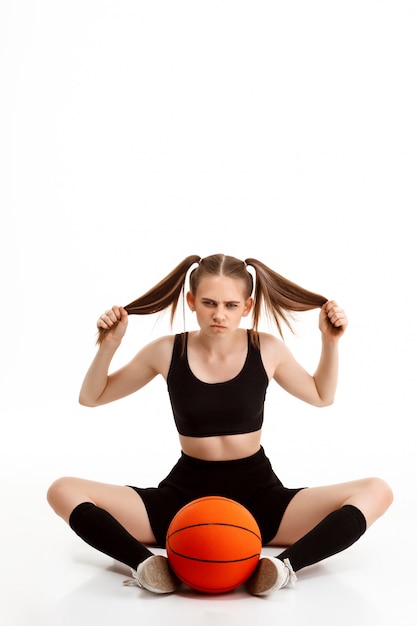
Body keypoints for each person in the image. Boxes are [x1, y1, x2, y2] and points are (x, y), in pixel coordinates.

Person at [47, 254, 393, 596]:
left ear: (247, 306)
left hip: (259, 498)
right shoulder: (166, 350)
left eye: (230, 304)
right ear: (192, 301)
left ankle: (283, 567)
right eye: (209, 303)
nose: (219, 314)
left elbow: (321, 395)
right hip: (183, 500)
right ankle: (146, 565)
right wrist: (110, 344)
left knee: (377, 490)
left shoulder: (267, 348)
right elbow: (92, 396)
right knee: (62, 489)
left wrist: (330, 341)